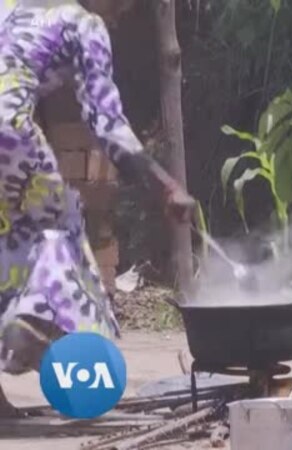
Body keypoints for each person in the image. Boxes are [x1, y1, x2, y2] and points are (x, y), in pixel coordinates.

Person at [0, 0, 195, 416]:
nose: (125, 13)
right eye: (125, 5)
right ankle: (34, 318)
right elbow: (107, 123)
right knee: (59, 227)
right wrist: (164, 185)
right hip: (7, 132)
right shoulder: (83, 25)